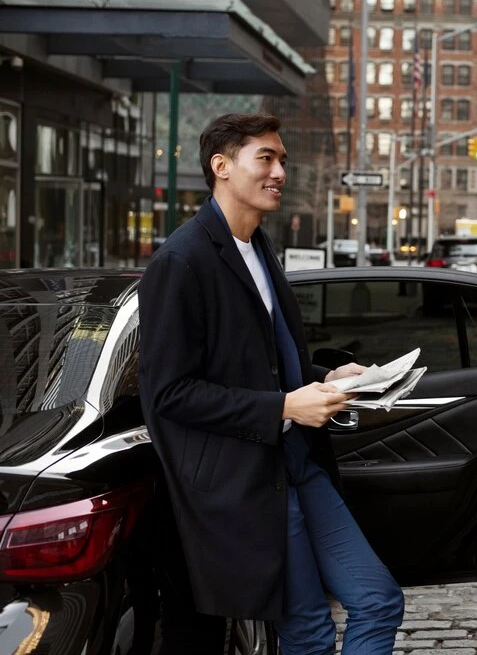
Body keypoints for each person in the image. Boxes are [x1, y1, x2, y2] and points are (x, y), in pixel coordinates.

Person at [138, 113, 404, 654]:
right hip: (248, 482)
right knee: (307, 634)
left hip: (300, 464)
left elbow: (261, 363)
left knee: (378, 600)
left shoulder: (260, 247)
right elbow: (168, 393)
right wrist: (283, 406)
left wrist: (326, 378)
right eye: (266, 158)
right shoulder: (181, 261)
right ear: (221, 166)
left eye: (282, 160)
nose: (280, 171)